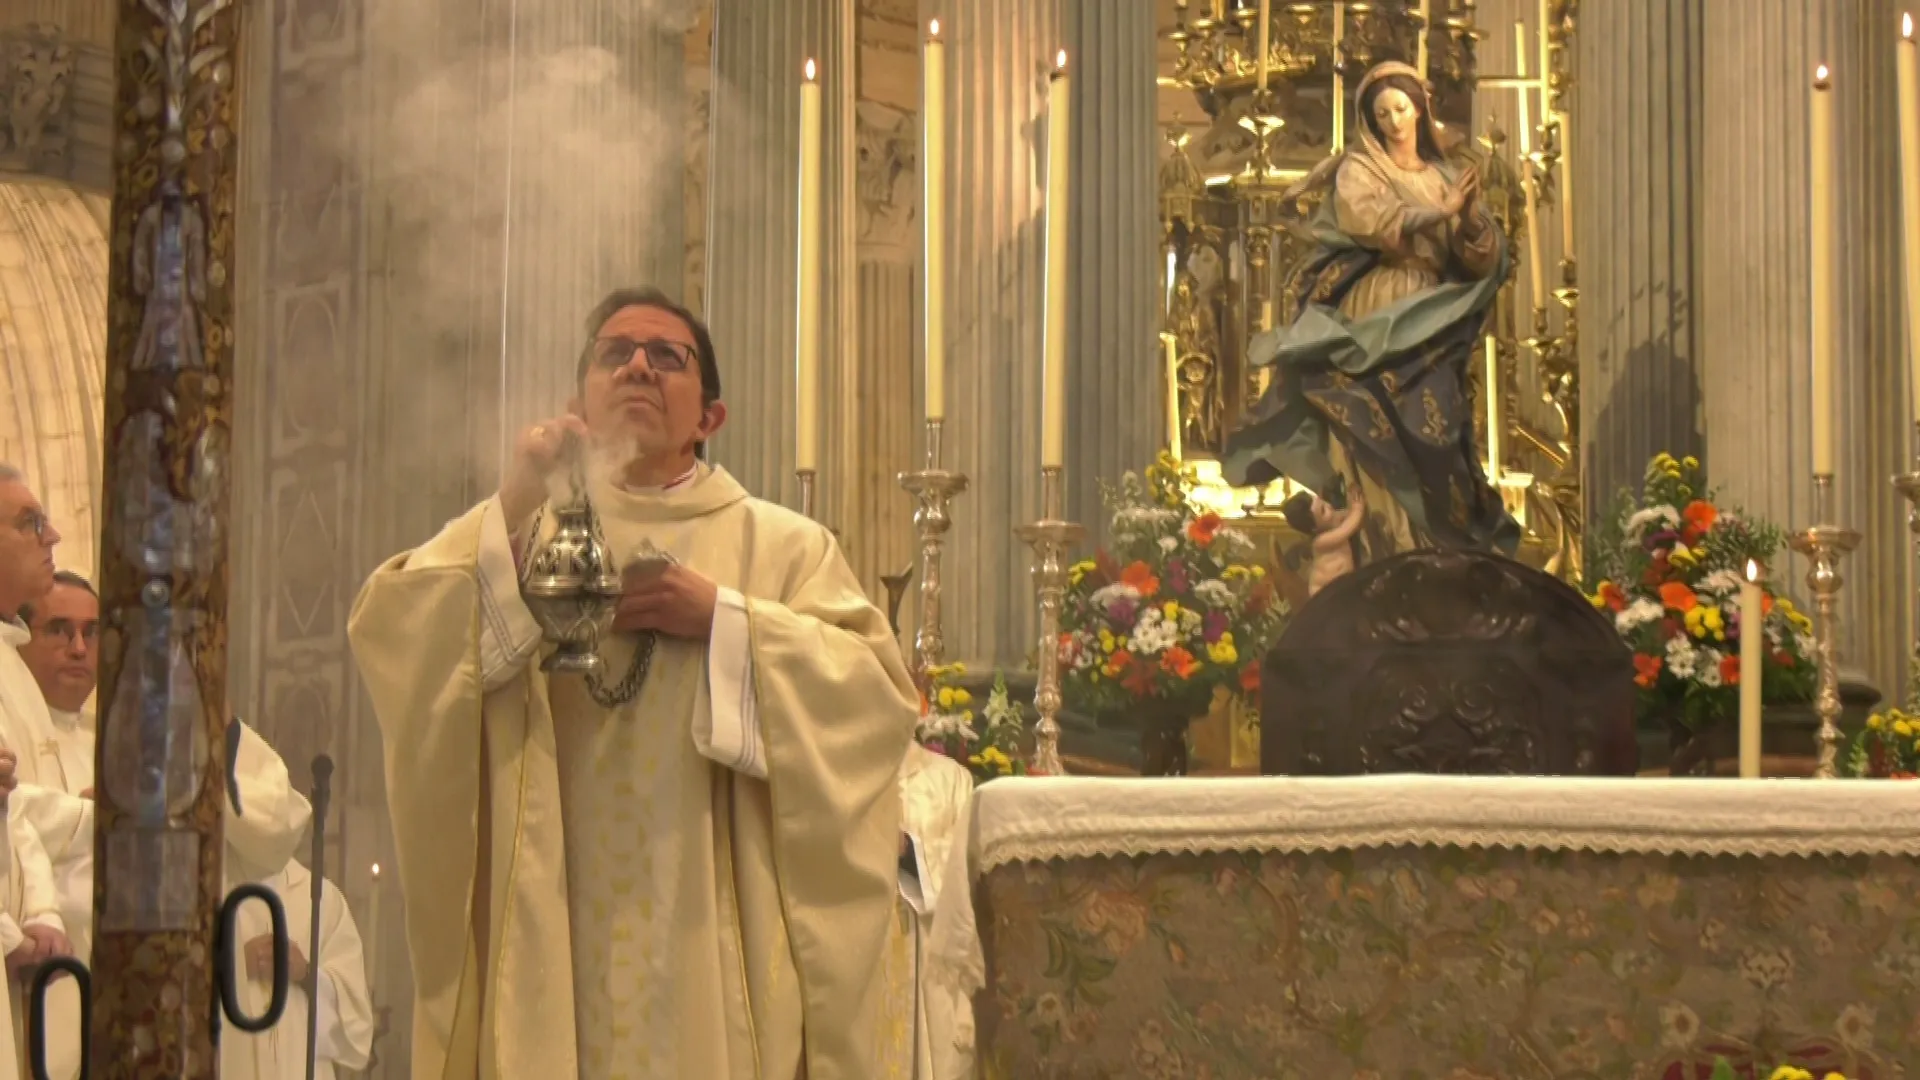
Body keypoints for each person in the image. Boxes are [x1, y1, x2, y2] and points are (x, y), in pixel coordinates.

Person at [348, 287, 919, 1078]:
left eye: (666, 356)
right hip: (559, 911)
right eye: (615, 355)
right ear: (577, 399)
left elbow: (877, 699)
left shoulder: (782, 547)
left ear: (708, 418)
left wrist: (725, 621)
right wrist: (517, 494)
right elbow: (395, 631)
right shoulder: (526, 529)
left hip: (709, 926)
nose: (638, 366)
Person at [1222, 61, 1519, 565]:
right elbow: (1373, 222)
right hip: (1380, 311)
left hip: (1433, 314)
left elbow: (1484, 257)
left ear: (1420, 109)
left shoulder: (1447, 175)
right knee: (1368, 424)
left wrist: (1467, 220)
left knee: (1438, 427)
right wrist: (1441, 213)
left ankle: (1437, 552)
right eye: (1381, 114)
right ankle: (1383, 548)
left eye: (1401, 109)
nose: (1393, 122)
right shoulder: (1361, 169)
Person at [0, 466, 76, 1079]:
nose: (52, 536)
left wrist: (43, 913)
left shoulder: (12, 662)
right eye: (30, 524)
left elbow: (13, 813)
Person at [222, 794, 374, 1080]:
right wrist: (237, 966)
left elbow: (355, 1032)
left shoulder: (321, 898)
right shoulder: (209, 890)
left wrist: (305, 973)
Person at [1280, 487, 1368, 596]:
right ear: (1314, 528)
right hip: (1324, 594)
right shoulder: (1321, 542)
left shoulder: (1330, 521)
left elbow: (1347, 516)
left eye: (1323, 502)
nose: (1329, 506)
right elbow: (1348, 528)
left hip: (1342, 585)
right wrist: (1358, 508)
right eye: (1323, 510)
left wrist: (1352, 500)